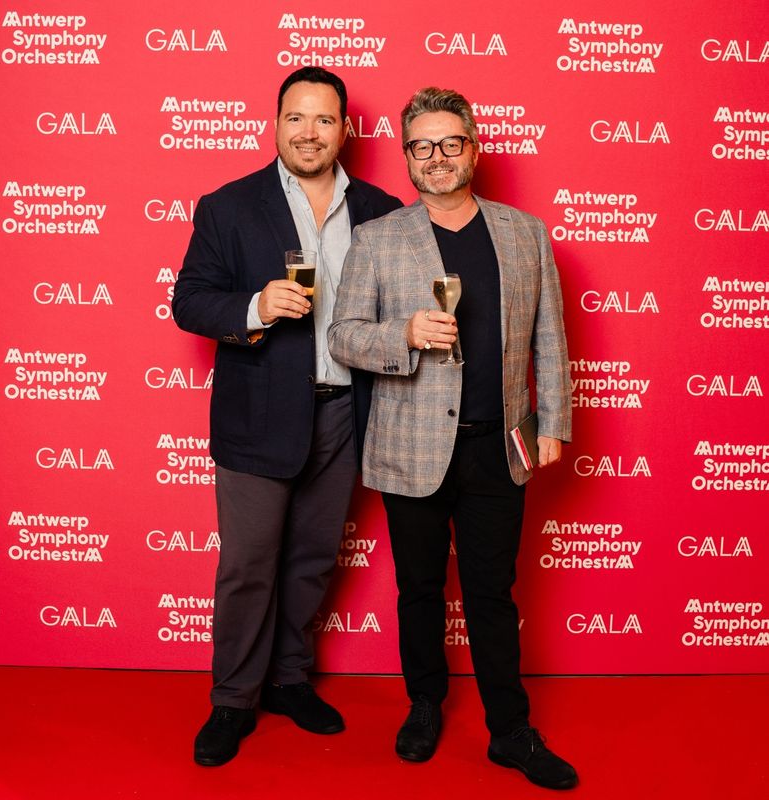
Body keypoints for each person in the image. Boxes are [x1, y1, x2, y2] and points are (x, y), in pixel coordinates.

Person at [328, 87, 577, 790]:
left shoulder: (525, 233)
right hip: (410, 445)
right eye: (421, 146)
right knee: (419, 589)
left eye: (450, 142)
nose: (436, 157)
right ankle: (425, 705)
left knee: (494, 593)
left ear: (474, 147)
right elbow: (343, 336)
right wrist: (403, 334)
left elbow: (551, 336)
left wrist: (553, 422)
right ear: (407, 156)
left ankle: (510, 731)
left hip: (500, 445)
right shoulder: (379, 239)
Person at [172, 67, 402, 767]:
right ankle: (233, 699)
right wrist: (255, 307)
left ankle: (289, 679)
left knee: (311, 559)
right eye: (296, 118)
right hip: (258, 415)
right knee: (248, 565)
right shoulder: (229, 206)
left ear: (345, 129)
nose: (309, 133)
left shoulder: (382, 210)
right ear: (275, 124)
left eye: (324, 120)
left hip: (345, 413)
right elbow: (190, 301)